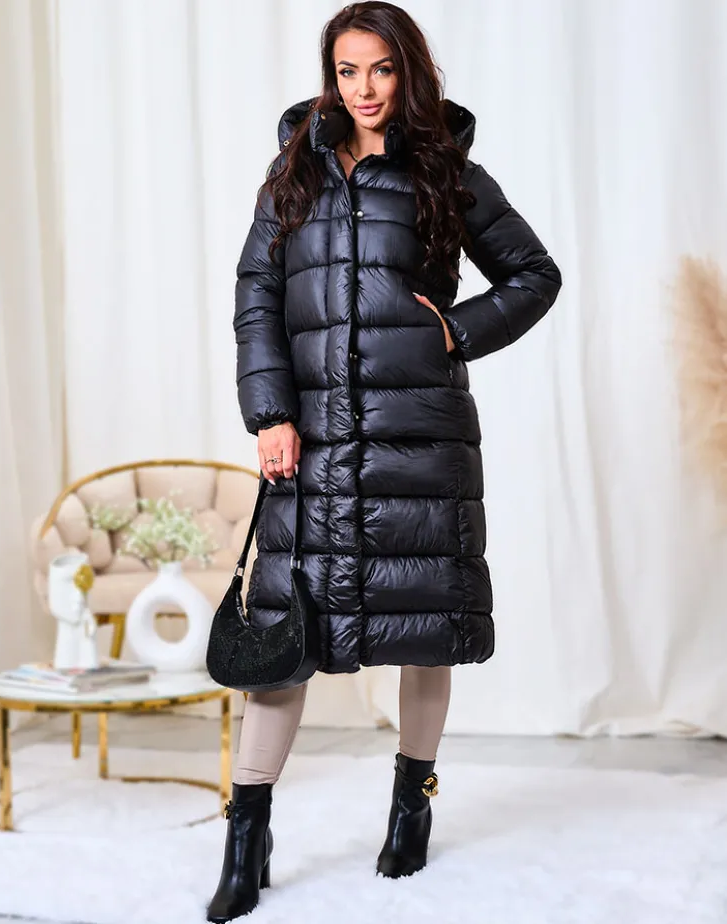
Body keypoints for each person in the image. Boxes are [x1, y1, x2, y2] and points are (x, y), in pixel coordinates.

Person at [205, 2, 562, 919]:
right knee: (283, 635)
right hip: (314, 439)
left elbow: (535, 275)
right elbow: (256, 295)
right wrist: (270, 413)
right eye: (348, 70)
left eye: (382, 69)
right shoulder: (292, 174)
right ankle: (247, 836)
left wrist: (457, 331)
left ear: (409, 72)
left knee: (423, 625)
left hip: (420, 433)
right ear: (331, 76)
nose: (365, 89)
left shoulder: (447, 171)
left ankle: (412, 806)